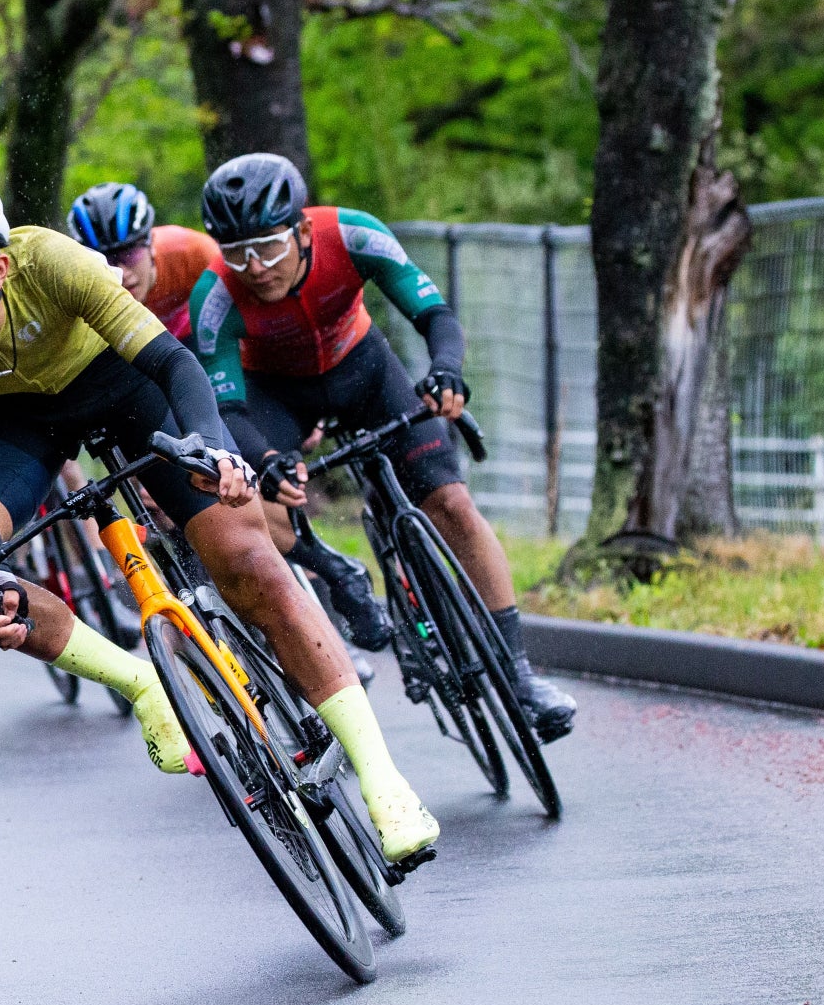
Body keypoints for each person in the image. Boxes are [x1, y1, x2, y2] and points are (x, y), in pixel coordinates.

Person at [0, 166, 439, 862]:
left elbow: (173, 361)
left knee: (250, 560)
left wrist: (208, 448)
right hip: (12, 420)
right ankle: (143, 682)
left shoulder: (51, 261)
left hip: (126, 382)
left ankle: (384, 779)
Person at [191, 153, 578, 742]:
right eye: (238, 254)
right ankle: (333, 570)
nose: (257, 267)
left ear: (300, 230)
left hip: (365, 371)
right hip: (277, 396)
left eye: (268, 247)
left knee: (450, 504)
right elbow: (232, 408)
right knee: (250, 504)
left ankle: (520, 675)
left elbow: (434, 313)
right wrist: (268, 462)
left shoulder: (353, 234)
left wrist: (446, 370)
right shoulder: (215, 296)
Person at [65, 182, 219, 346]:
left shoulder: (193, 252)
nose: (121, 272)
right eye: (105, 260)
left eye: (130, 253)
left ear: (151, 243)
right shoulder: (77, 288)